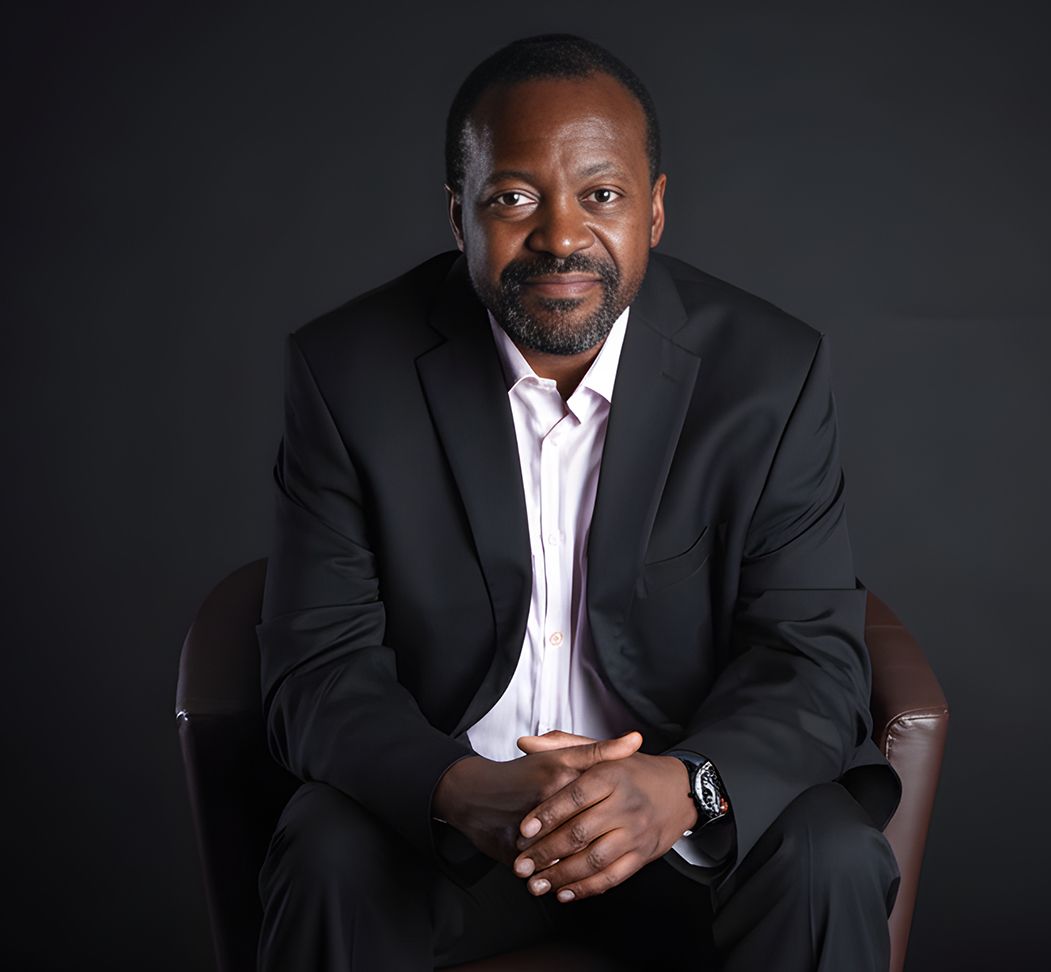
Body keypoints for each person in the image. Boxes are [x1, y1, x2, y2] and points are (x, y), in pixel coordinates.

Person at [255, 32, 902, 972]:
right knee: (326, 848)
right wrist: (459, 787)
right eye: (515, 197)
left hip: (683, 835)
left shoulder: (769, 373)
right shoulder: (348, 372)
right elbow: (314, 668)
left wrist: (682, 788)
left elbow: (811, 653)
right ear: (457, 214)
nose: (561, 234)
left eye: (602, 195)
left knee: (828, 856)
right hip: (452, 839)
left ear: (656, 209)